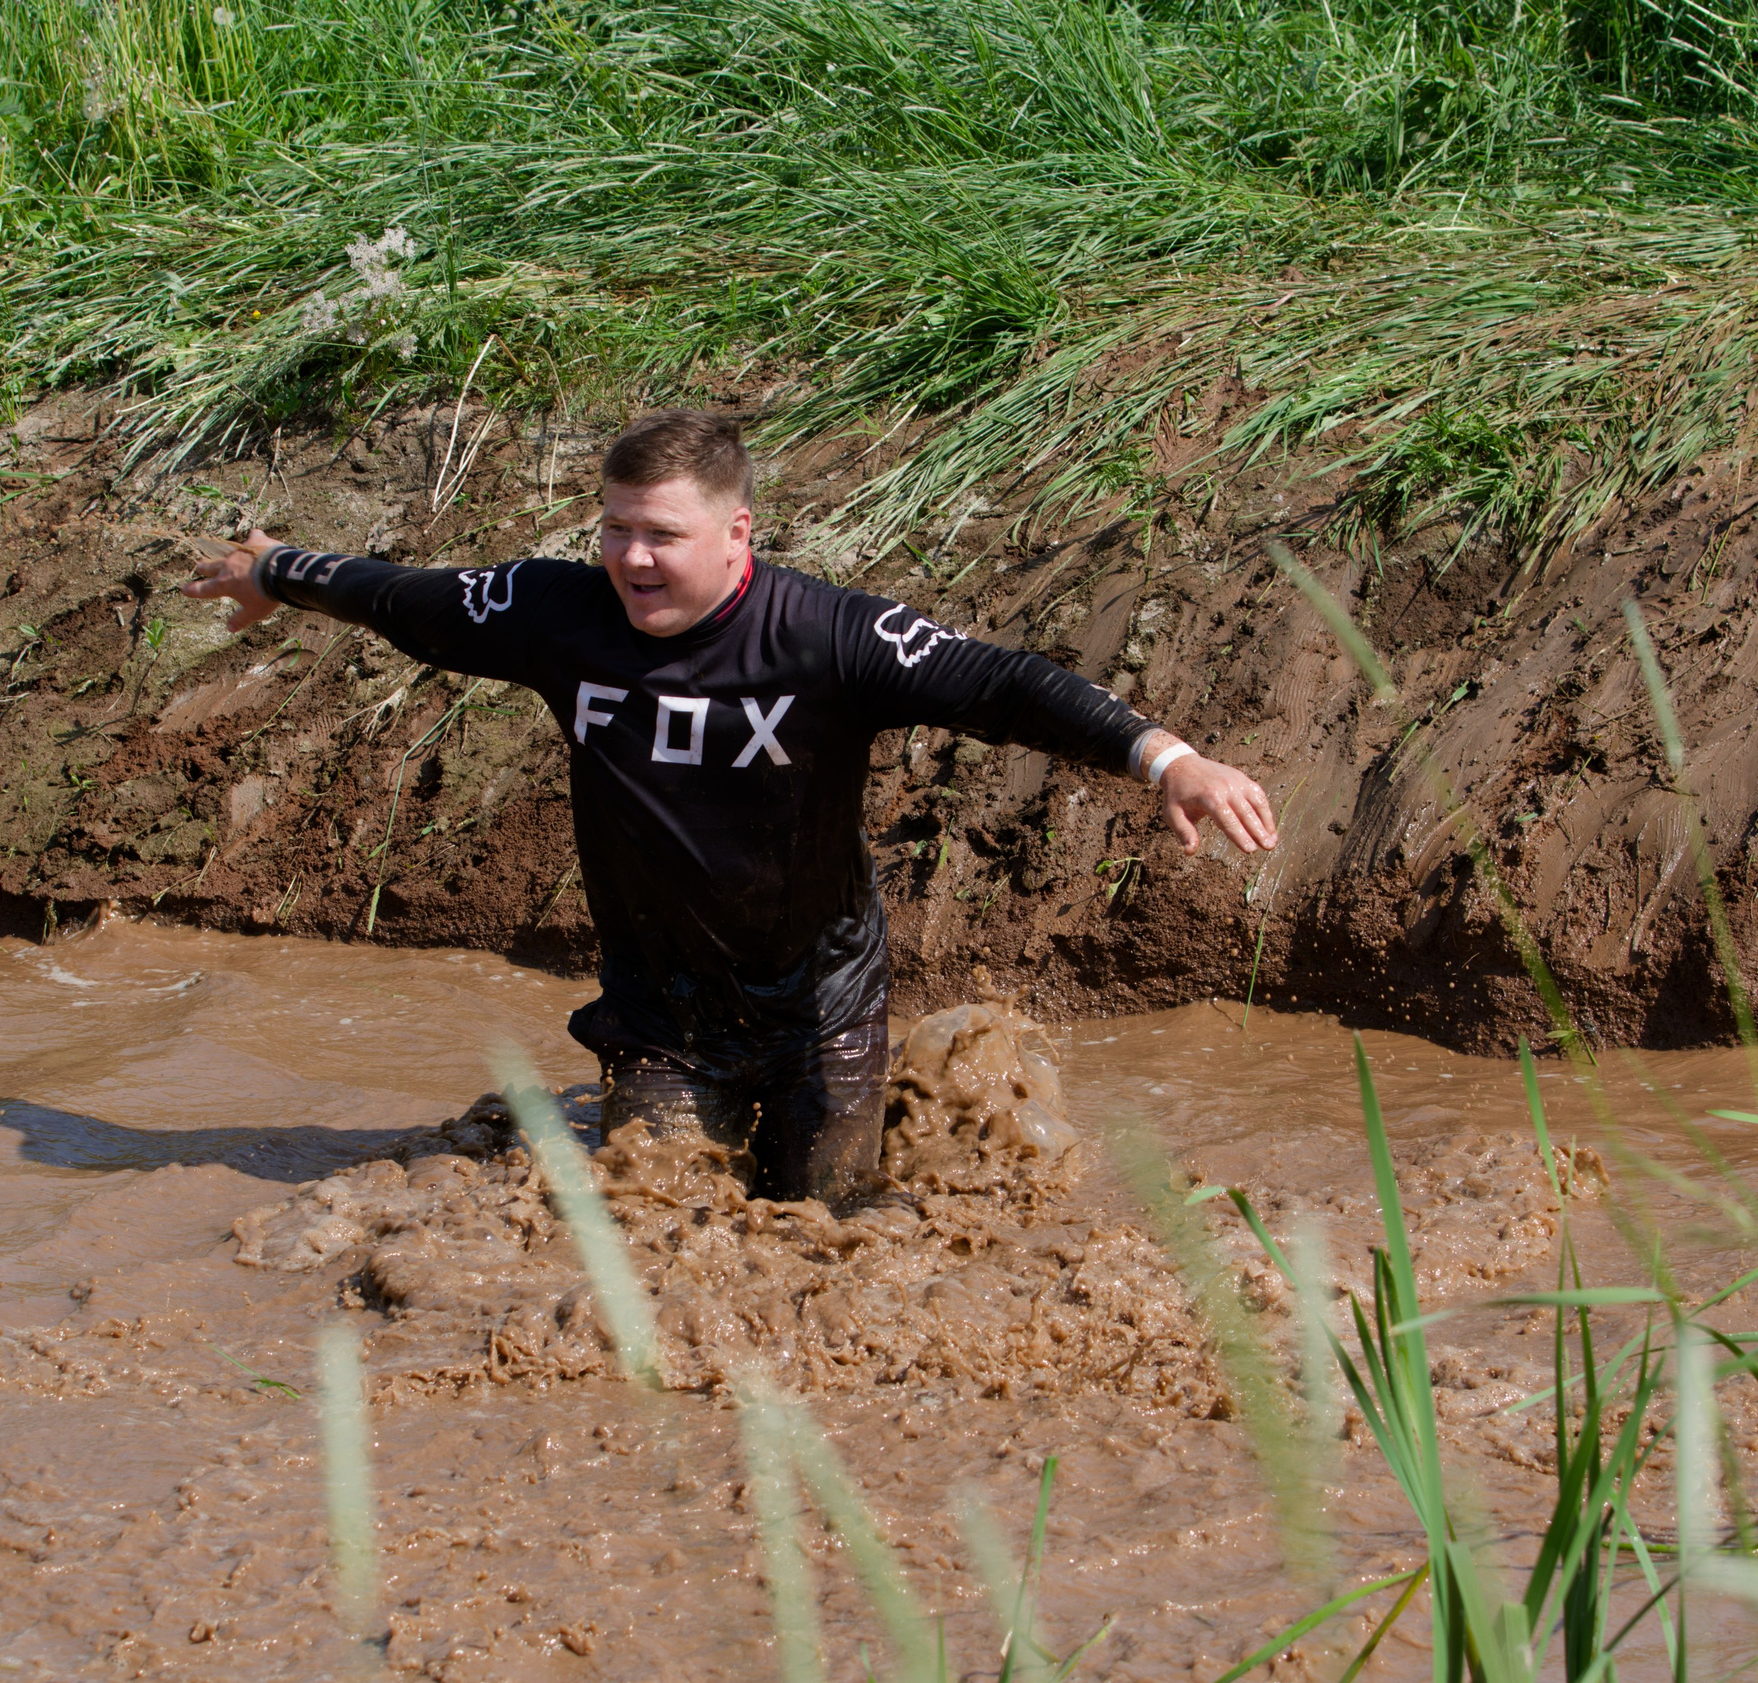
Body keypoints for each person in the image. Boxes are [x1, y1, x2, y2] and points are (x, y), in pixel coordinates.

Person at [184, 411, 1276, 1203]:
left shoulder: (830, 636)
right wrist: (275, 569)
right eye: (613, 529)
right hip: (661, 1017)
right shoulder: (557, 611)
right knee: (661, 1234)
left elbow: (1000, 682)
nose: (631, 558)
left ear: (735, 534)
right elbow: (397, 595)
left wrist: (1162, 756)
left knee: (833, 1232)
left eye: (660, 534)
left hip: (823, 1010)